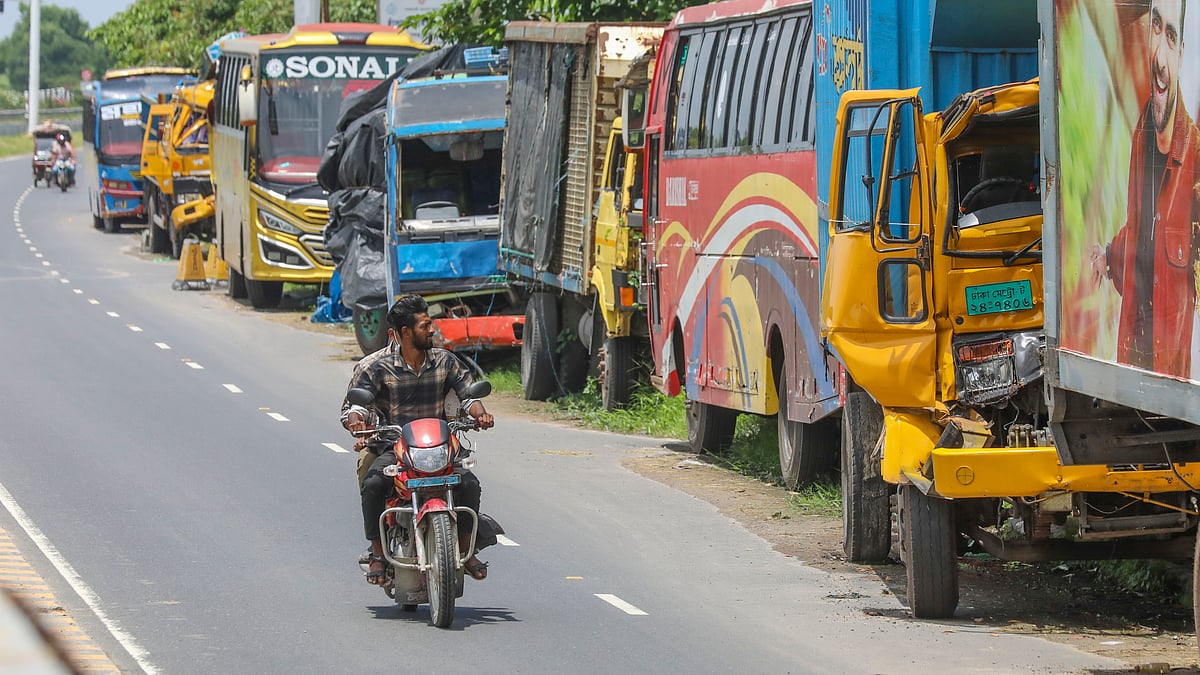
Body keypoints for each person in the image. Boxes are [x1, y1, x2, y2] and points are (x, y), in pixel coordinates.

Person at [340, 294, 495, 586]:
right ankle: (377, 553)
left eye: (430, 324)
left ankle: (465, 549)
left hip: (438, 447)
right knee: (373, 484)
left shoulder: (445, 361)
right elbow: (355, 407)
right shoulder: (375, 366)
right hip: (394, 448)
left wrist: (480, 414)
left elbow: (468, 395)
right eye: (425, 326)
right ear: (404, 333)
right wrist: (357, 423)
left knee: (470, 484)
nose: (432, 330)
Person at [1090, 0, 1200, 377]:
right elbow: (1144, 234)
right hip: (1134, 364)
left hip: (1174, 375)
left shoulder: (1196, 153)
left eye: (1171, 36)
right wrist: (1107, 254)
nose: (1161, 59)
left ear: (1182, 53)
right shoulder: (1142, 134)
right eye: (1156, 27)